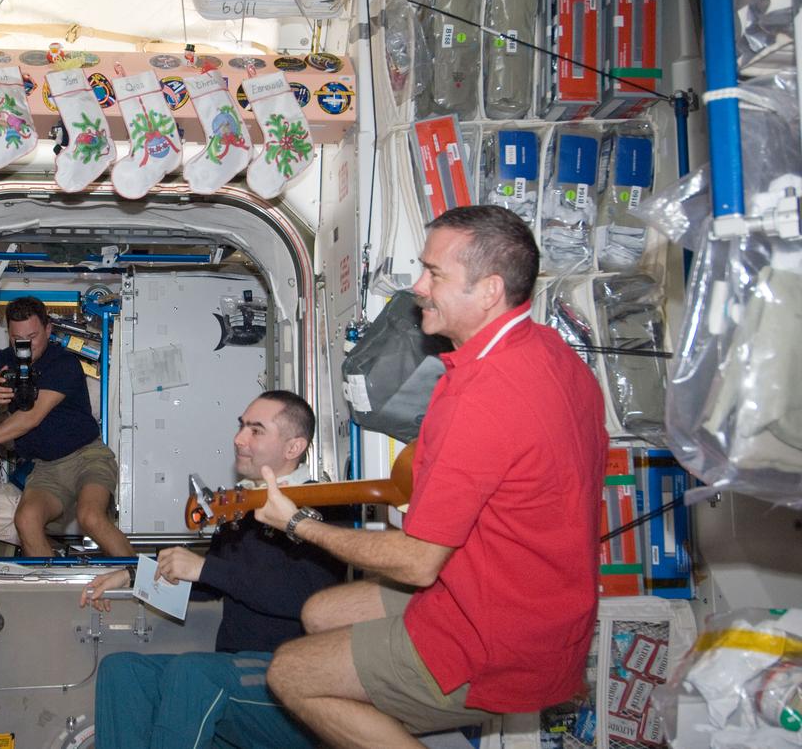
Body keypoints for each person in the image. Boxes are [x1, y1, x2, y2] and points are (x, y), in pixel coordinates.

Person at [257, 205, 607, 749]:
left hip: (500, 634)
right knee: (320, 611)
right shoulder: (552, 354)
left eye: (435, 274)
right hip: (529, 591)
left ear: (489, 290)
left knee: (290, 672)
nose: (419, 286)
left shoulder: (482, 398)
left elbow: (419, 564)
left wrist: (299, 522)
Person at [83, 391, 344, 749]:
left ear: (293, 447)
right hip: (236, 670)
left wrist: (206, 568)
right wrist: (134, 575)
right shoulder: (243, 506)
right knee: (122, 671)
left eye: (256, 430)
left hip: (295, 679)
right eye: (241, 426)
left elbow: (303, 597)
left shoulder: (324, 509)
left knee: (194, 674)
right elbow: (211, 582)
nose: (239, 439)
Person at [0, 296, 133, 557]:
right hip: (46, 468)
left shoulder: (63, 364)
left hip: (87, 457)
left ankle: (138, 586)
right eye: (16, 337)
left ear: (48, 329)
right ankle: (53, 592)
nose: (25, 345)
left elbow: (30, 417)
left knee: (91, 517)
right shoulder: (2, 363)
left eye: (32, 336)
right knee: (26, 520)